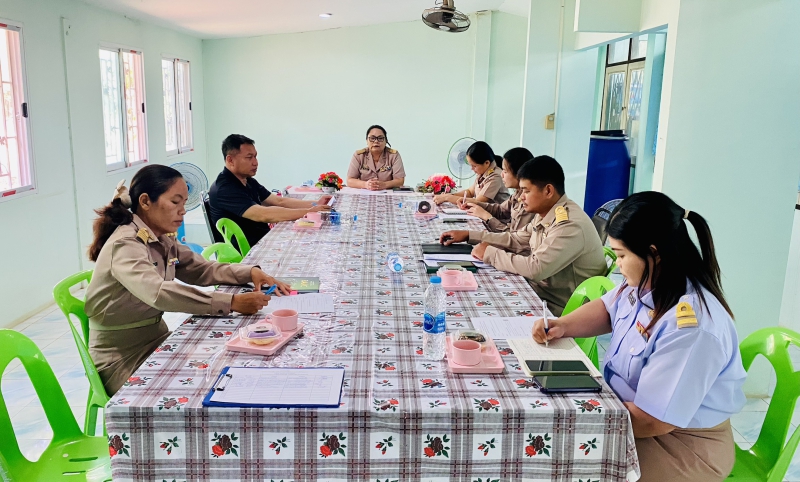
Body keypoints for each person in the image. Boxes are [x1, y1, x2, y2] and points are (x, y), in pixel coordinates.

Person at [531, 191, 746, 482]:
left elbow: (653, 420)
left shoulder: (691, 328)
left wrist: (582, 418)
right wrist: (563, 325)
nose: (617, 263)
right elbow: (609, 308)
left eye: (621, 255)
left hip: (680, 445)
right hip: (629, 418)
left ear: (654, 253)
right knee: (548, 447)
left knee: (564, 460)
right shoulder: (646, 283)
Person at [85, 165, 291, 395]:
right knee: (203, 387)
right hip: (121, 357)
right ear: (145, 201)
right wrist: (231, 302)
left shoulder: (160, 237)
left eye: (183, 203)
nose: (182, 211)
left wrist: (249, 273)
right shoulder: (126, 244)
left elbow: (200, 269)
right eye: (175, 202)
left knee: (225, 364)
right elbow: (158, 292)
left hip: (157, 339)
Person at [440, 156, 606, 314]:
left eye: (526, 191)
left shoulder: (569, 225)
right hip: (542, 292)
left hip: (559, 307)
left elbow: (536, 268)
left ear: (548, 191)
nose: (521, 198)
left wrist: (490, 253)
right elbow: (516, 239)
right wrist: (469, 235)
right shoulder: (546, 212)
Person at [209, 134, 331, 248]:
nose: (255, 162)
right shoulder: (225, 188)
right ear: (230, 160)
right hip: (248, 250)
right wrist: (308, 211)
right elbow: (263, 214)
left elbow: (279, 201)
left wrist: (316, 204)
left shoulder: (247, 180)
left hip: (263, 238)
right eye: (249, 157)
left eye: (255, 156)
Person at [433, 141, 509, 205]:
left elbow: (478, 201)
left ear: (487, 163)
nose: (472, 169)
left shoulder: (495, 176)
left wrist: (448, 198)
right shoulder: (482, 172)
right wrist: (450, 195)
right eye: (470, 165)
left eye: (474, 166)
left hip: (496, 217)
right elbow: (469, 192)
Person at [346, 125, 406, 190]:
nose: (376, 141)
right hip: (364, 193)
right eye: (372, 138)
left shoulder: (393, 155)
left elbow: (400, 181)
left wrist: (385, 185)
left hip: (387, 193)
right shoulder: (359, 156)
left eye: (380, 138)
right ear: (367, 141)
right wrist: (366, 184)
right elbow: (350, 180)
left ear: (386, 141)